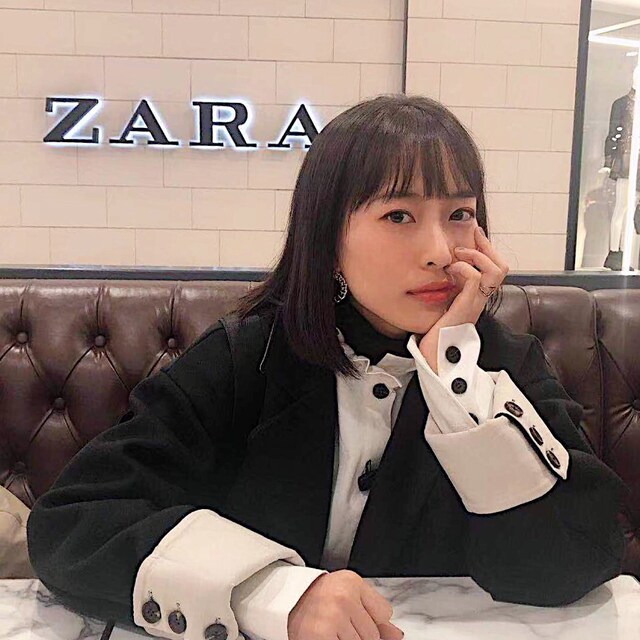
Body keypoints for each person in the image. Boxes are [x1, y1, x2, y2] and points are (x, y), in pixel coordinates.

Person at [26, 95, 628, 640]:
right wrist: (272, 593)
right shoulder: (251, 355)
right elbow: (75, 521)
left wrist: (455, 380)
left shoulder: (500, 366)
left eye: (460, 214)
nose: (441, 253)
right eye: (399, 216)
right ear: (327, 238)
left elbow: (574, 558)